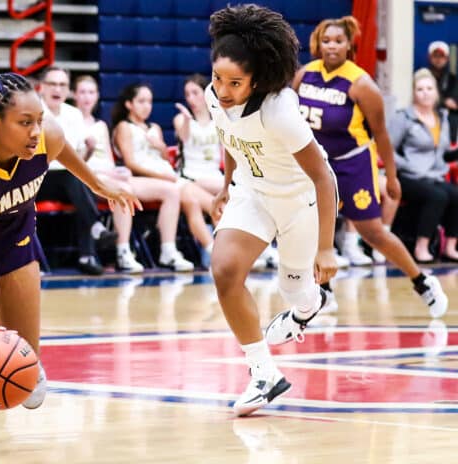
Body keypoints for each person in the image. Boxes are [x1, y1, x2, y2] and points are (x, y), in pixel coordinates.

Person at [0, 69, 139, 460]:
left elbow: (66, 155)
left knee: (26, 354)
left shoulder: (46, 135)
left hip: (15, 223)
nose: (36, 131)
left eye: (38, 119)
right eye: (24, 123)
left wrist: (99, 185)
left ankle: (22, 361)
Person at [205, 4, 338, 416]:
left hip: (300, 201)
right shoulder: (214, 97)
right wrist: (226, 186)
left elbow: (324, 178)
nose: (223, 90)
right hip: (253, 193)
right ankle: (263, 372)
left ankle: (306, 306)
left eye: (235, 83)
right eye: (217, 78)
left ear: (257, 80)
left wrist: (326, 248)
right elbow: (230, 138)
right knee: (225, 270)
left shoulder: (280, 111)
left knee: (294, 290)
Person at [293, 16, 448, 318]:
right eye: (326, 41)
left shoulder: (362, 83)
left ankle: (422, 281)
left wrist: (391, 176)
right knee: (312, 227)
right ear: (317, 44)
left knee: (372, 232)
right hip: (319, 164)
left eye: (338, 41)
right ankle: (324, 292)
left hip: (354, 164)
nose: (332, 46)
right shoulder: (304, 75)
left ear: (349, 44)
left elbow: (382, 134)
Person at [73, 74, 190, 272]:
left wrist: (117, 171)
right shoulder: (73, 121)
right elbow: (128, 161)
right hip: (88, 178)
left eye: (91, 92)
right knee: (124, 189)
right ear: (74, 95)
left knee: (172, 190)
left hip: (111, 175)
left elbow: (112, 162)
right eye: (83, 92)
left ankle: (168, 250)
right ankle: (122, 251)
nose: (87, 97)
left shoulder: (101, 125)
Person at [174, 73, 280, 270]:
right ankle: (251, 250)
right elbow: (185, 137)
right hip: (190, 176)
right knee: (236, 199)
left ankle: (253, 250)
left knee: (236, 199)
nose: (191, 98)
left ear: (207, 93)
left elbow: (229, 151)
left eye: (195, 93)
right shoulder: (182, 119)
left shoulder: (218, 119)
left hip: (213, 175)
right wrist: (188, 121)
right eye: (187, 94)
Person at [112, 83, 210, 268]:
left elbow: (164, 157)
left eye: (149, 101)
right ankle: (169, 250)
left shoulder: (154, 127)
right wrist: (161, 176)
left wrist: (161, 147)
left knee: (201, 201)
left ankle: (214, 247)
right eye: (141, 101)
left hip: (165, 177)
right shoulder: (124, 127)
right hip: (140, 179)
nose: (146, 106)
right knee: (175, 191)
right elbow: (131, 163)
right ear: (129, 104)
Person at [36, 66, 118, 275]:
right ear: (41, 87)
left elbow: (79, 158)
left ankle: (87, 255)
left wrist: (89, 151)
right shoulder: (33, 111)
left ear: (68, 91)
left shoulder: (73, 114)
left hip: (67, 179)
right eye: (52, 84)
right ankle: (95, 232)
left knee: (80, 179)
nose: (57, 89)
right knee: (74, 177)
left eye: (62, 85)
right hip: (36, 179)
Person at [390, 68, 458, 262]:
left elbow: (442, 152)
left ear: (436, 92)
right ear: (414, 93)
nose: (425, 92)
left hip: (434, 175)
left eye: (429, 88)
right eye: (420, 89)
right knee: (437, 197)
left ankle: (451, 246)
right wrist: (407, 165)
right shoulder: (404, 117)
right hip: (409, 176)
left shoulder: (442, 118)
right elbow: (387, 149)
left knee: (455, 194)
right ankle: (422, 247)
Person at [427, 40, 458, 143]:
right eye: (435, 56)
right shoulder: (424, 77)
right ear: (430, 58)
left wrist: (441, 101)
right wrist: (444, 102)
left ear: (447, 59)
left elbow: (454, 104)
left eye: (441, 56)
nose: (438, 60)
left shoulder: (453, 79)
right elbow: (425, 100)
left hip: (450, 126)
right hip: (428, 123)